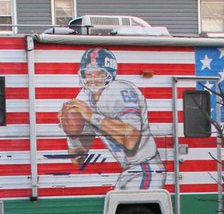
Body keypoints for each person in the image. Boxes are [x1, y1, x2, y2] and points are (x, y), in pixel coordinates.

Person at [58, 47, 165, 190]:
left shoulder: (119, 90)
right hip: (129, 169)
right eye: (88, 74)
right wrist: (71, 132)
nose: (93, 79)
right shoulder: (84, 98)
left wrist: (91, 116)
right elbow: (78, 158)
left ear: (109, 74)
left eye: (98, 73)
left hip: (145, 167)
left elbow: (131, 139)